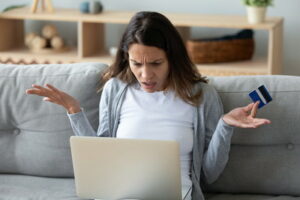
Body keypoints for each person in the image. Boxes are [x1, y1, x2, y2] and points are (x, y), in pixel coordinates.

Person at [26, 11, 271, 200]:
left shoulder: (200, 95)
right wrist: (75, 111)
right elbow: (101, 159)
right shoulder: (116, 89)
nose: (145, 75)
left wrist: (225, 125)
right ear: (126, 58)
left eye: (155, 63)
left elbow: (209, 174)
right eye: (136, 63)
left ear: (172, 58)